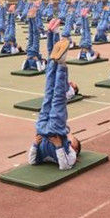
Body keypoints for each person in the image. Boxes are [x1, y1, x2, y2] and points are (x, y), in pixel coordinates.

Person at [28, 38, 82, 170]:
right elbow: (66, 165)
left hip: (41, 129)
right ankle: (60, 63)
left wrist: (35, 144)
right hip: (55, 129)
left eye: (72, 141)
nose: (70, 140)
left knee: (48, 93)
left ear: (75, 148)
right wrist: (59, 145)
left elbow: (32, 161)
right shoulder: (71, 154)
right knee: (57, 96)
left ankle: (53, 61)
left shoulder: (71, 153)